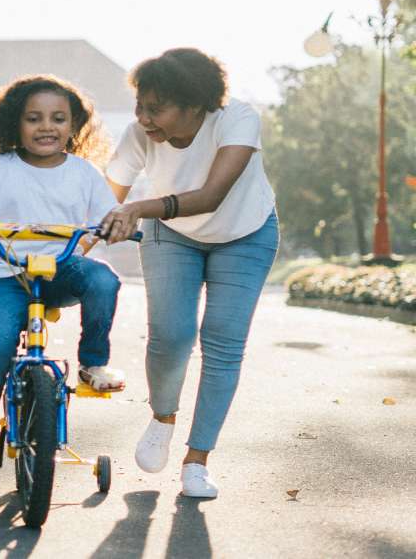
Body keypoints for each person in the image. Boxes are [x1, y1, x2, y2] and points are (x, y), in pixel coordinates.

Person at [0, 75, 125, 481]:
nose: (46, 127)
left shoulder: (84, 173)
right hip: (4, 272)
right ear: (14, 123)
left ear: (74, 125)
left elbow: (108, 217)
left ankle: (93, 363)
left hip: (60, 269)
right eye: (34, 118)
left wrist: (115, 226)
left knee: (103, 279)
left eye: (58, 119)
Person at [100, 47, 278, 499]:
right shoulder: (140, 134)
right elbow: (103, 200)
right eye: (140, 105)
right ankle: (163, 417)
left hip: (245, 233)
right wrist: (69, 246)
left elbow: (212, 195)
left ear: (196, 105)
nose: (144, 118)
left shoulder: (237, 119)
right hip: (172, 234)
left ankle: (197, 461)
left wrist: (138, 208)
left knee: (223, 341)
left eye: (156, 109)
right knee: (172, 334)